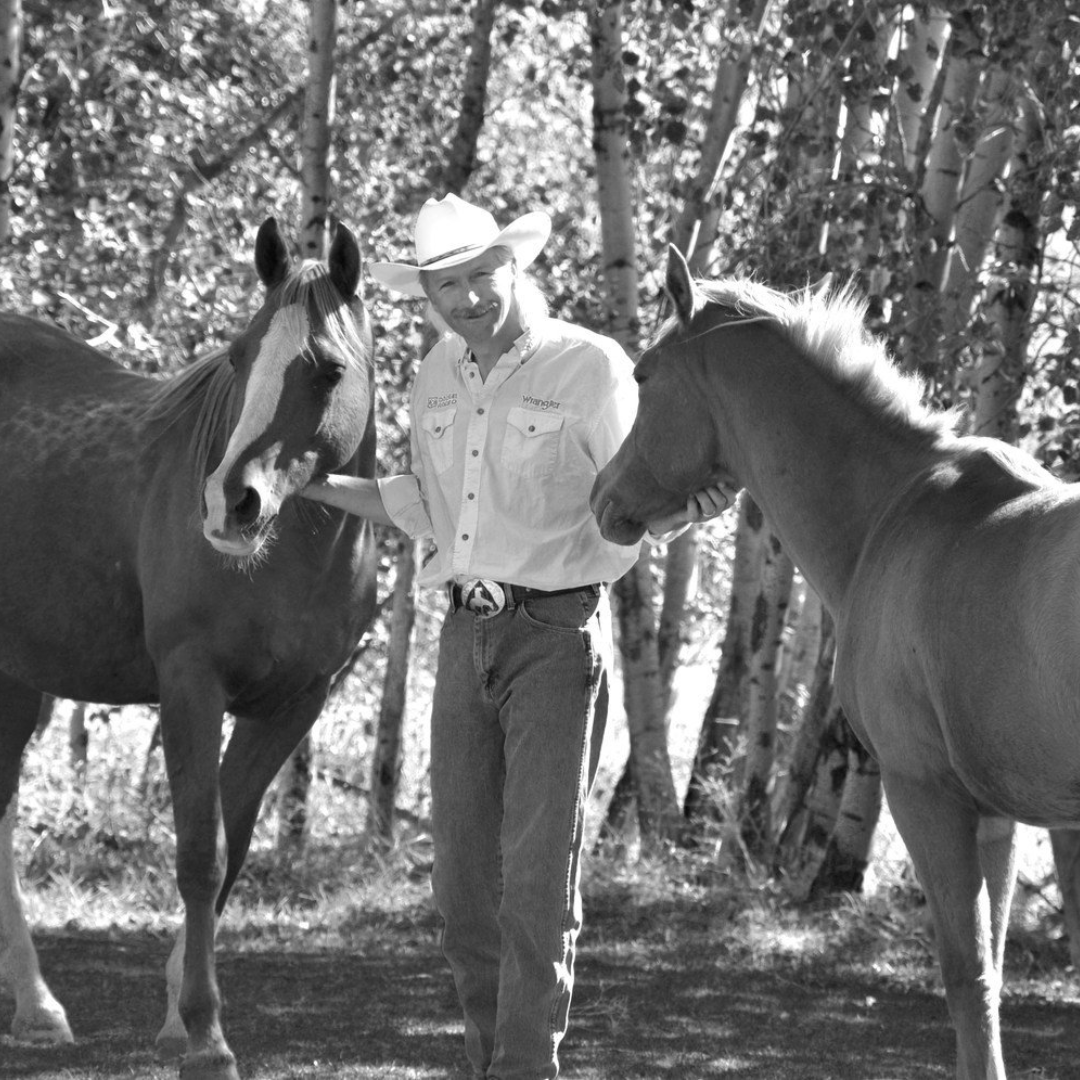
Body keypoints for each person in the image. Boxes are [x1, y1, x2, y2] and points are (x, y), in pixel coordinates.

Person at [301, 193, 726, 1080]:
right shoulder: (434, 377)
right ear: (427, 297)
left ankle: (526, 1067)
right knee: (461, 890)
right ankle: (489, 1060)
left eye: (479, 277)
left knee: (535, 882)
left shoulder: (590, 368)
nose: (464, 299)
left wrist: (691, 508)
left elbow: (632, 502)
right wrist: (315, 485)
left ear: (514, 267)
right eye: (443, 287)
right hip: (464, 638)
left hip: (555, 638)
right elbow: (419, 503)